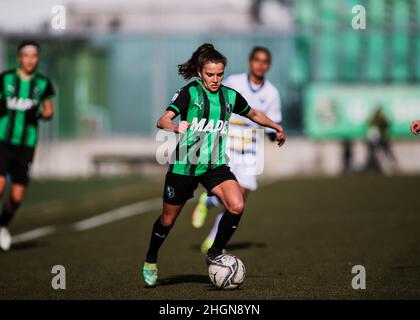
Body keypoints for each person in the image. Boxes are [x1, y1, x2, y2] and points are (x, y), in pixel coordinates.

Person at [142, 43, 286, 287]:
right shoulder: (190, 93)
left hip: (215, 165)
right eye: (210, 74)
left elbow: (252, 113)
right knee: (167, 220)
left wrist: (276, 126)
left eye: (219, 74)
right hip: (184, 166)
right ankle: (151, 258)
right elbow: (162, 119)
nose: (215, 79)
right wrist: (176, 126)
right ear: (200, 72)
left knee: (237, 204)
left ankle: (215, 252)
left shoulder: (229, 96)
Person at [191, 46, 282, 253]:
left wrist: (273, 133)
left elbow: (274, 121)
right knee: (229, 195)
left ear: (268, 66)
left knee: (239, 200)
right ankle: (209, 200)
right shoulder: (234, 82)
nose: (260, 64)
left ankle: (213, 238)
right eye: (257, 60)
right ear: (250, 62)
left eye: (265, 61)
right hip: (228, 143)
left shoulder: (272, 93)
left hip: (250, 148)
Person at [0, 40, 55, 251]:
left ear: (37, 59)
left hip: (26, 146)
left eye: (34, 56)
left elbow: (50, 112)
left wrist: (40, 113)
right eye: (26, 56)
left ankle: (3, 225)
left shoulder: (42, 83)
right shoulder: (5, 78)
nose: (30, 60)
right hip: (3, 141)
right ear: (19, 58)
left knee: (16, 196)